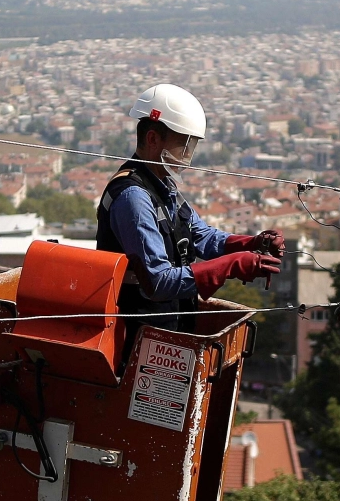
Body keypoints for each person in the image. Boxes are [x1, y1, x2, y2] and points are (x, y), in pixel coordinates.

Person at [97, 83, 285, 329]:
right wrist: (230, 265)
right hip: (137, 334)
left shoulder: (162, 185)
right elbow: (158, 281)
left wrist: (251, 244)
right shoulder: (134, 197)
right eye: (185, 146)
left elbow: (201, 235)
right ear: (153, 139)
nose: (188, 157)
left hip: (166, 328)